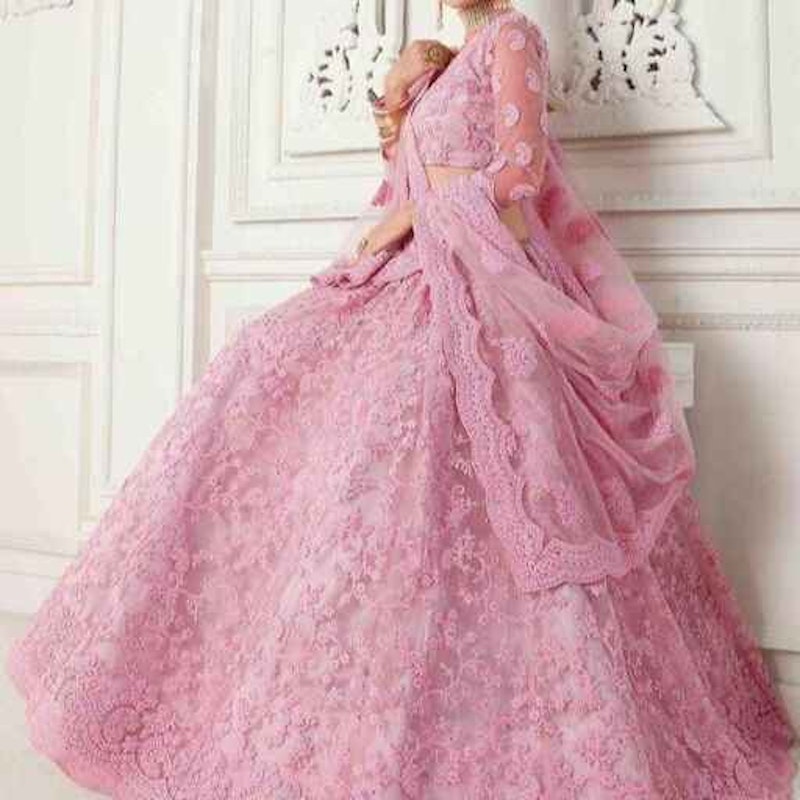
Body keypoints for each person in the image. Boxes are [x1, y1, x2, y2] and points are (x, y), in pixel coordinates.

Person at [6, 1, 797, 797]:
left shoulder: (512, 37)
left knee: (437, 445)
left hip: (484, 283)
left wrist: (413, 217)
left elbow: (519, 175)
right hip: (418, 272)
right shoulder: (443, 64)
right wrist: (399, 119)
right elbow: (409, 181)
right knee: (269, 363)